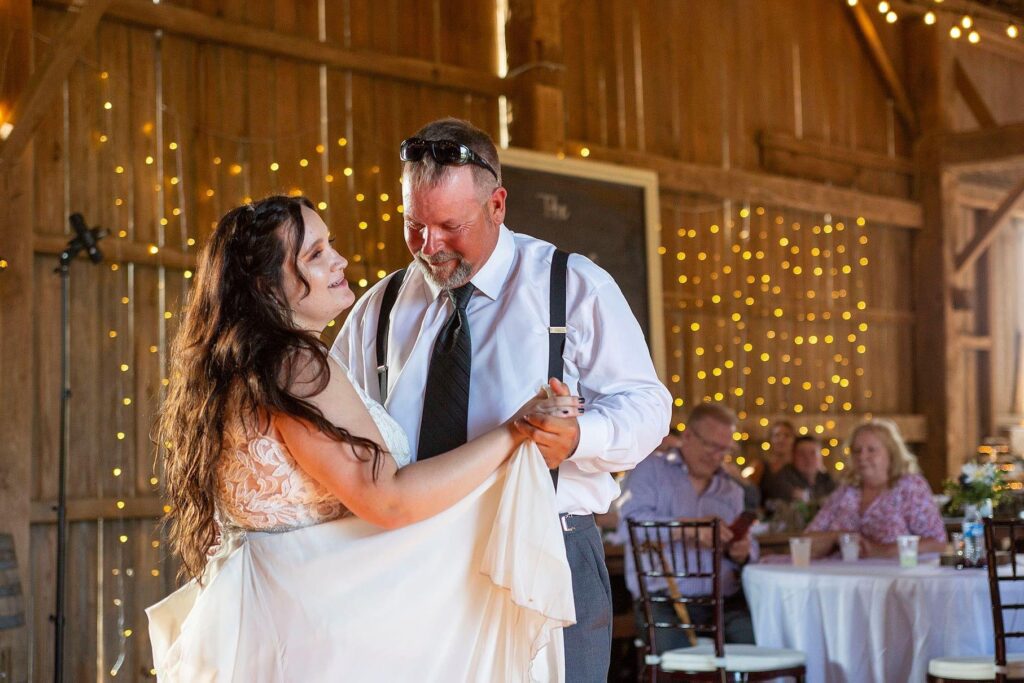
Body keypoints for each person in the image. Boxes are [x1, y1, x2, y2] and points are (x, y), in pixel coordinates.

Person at [146, 196, 581, 681]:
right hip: (310, 629)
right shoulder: (293, 364)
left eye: (328, 245)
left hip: (267, 612)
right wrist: (514, 431)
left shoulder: (241, 364)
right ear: (267, 285)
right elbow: (387, 500)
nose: (339, 261)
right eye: (315, 255)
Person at [333, 117, 672, 682]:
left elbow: (648, 405)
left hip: (548, 552)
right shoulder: (381, 305)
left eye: (449, 225)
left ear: (497, 205)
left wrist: (582, 437)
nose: (429, 246)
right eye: (414, 225)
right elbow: (342, 421)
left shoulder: (573, 285)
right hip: (411, 560)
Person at [618, 403, 757, 650]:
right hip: (663, 600)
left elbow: (751, 547)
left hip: (723, 602)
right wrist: (687, 529)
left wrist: (743, 551)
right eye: (711, 445)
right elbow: (630, 527)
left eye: (723, 449)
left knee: (760, 644)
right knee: (678, 661)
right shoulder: (649, 469)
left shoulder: (731, 490)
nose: (717, 456)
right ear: (688, 436)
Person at [806, 419, 946, 558]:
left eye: (871, 450)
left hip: (894, 577)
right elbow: (806, 541)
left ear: (891, 453)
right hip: (844, 575)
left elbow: (937, 543)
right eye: (857, 450)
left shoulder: (909, 487)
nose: (862, 456)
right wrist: (837, 536)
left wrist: (884, 551)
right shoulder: (846, 492)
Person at [761, 435, 836, 509]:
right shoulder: (782, 478)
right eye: (801, 454)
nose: (808, 459)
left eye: (813, 453)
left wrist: (806, 496)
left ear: (820, 457)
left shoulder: (826, 479)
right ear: (793, 456)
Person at [756, 419, 796, 502]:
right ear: (771, 439)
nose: (781, 440)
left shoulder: (799, 468)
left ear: (793, 440)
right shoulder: (760, 467)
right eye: (777, 435)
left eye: (787, 435)